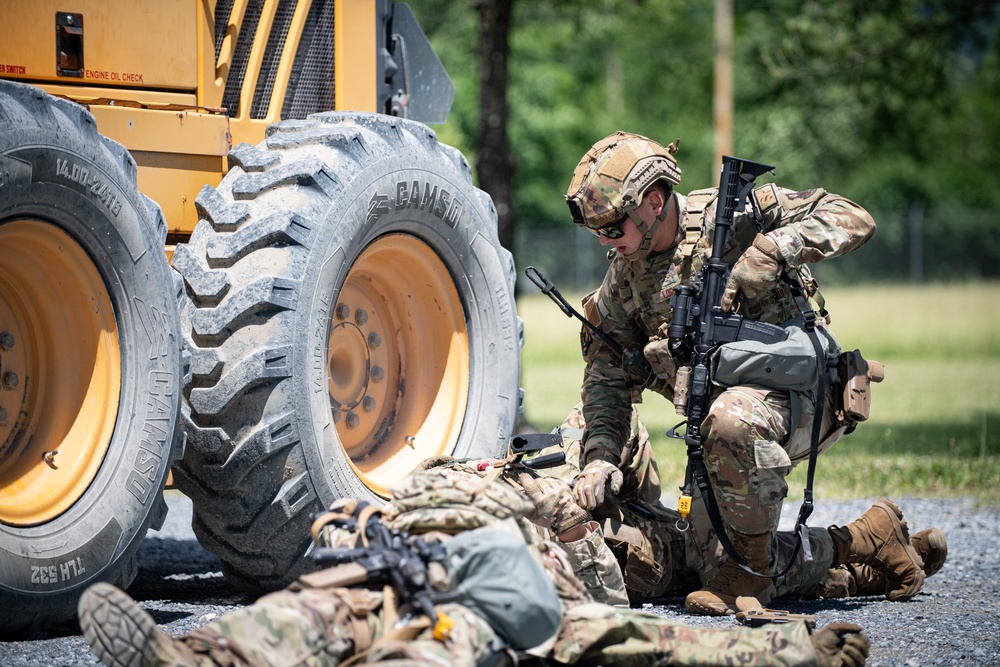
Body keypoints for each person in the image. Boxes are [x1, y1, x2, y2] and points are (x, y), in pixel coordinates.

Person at [563, 131, 925, 615]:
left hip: (801, 397)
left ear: (653, 200)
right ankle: (864, 547)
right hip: (716, 426)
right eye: (598, 232)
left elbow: (854, 217)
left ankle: (750, 581)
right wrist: (601, 458)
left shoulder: (736, 214)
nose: (607, 241)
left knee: (733, 420)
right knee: (705, 560)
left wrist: (777, 247)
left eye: (612, 227)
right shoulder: (625, 278)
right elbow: (606, 377)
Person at [78, 466, 871, 667]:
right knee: (309, 611)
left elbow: (667, 642)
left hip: (473, 604)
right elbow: (663, 642)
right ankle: (185, 656)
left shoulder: (553, 590)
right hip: (398, 562)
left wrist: (796, 647)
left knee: (434, 645)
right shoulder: (469, 507)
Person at [541, 403, 947, 608]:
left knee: (739, 570)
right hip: (652, 559)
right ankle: (868, 555)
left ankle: (867, 540)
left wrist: (597, 460)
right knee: (744, 573)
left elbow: (614, 414)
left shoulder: (491, 501)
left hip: (629, 514)